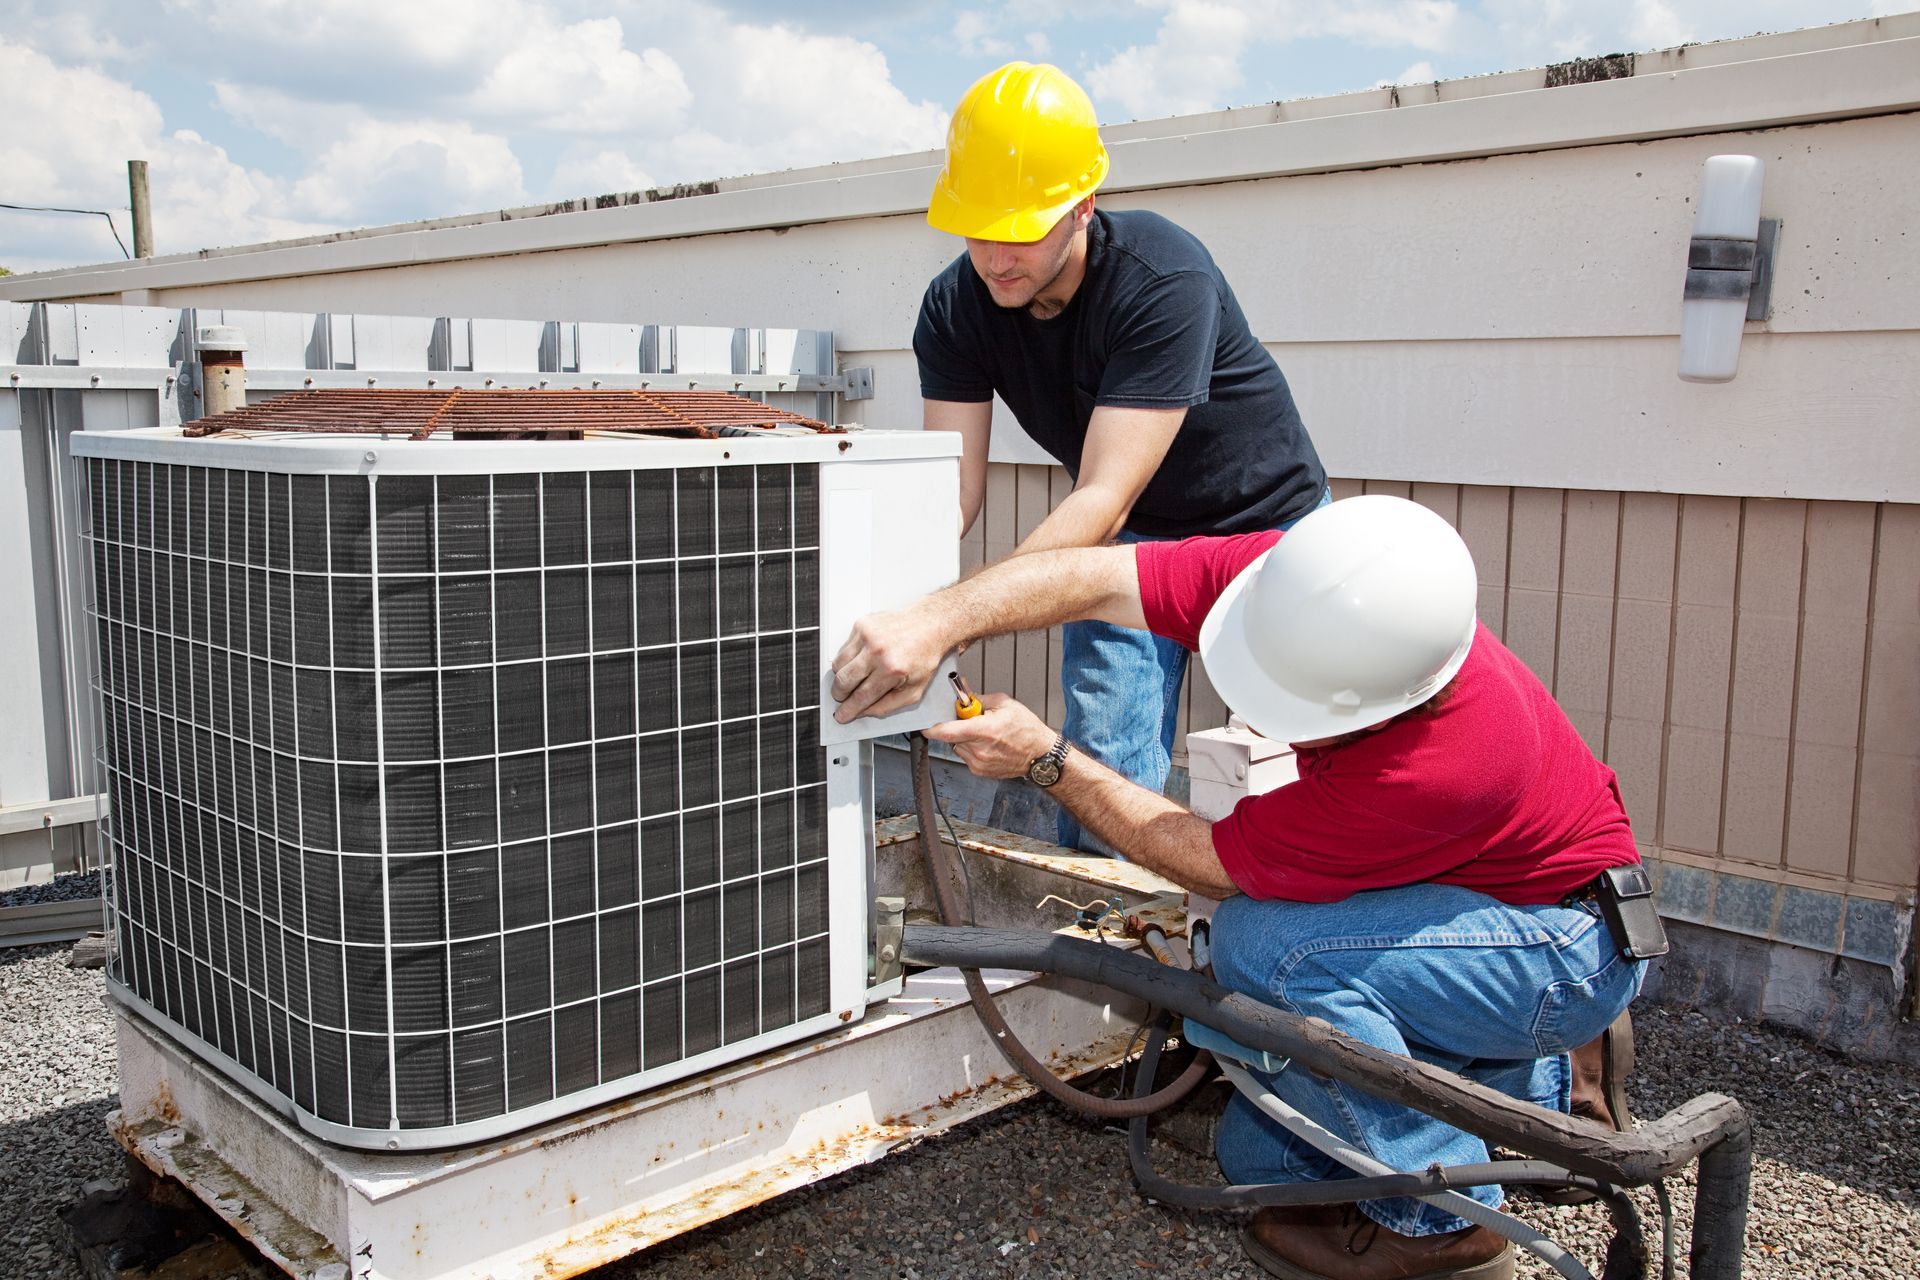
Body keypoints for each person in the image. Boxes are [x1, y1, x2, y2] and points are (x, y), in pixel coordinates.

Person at [831, 495, 1648, 1280]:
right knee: (1252, 1158)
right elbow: (1094, 575)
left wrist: (1047, 759)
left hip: (1563, 944)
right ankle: (1532, 1095)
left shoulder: (1437, 768)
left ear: (1374, 706)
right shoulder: (1299, 585)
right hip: (1490, 897)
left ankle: (1446, 1226)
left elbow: (1204, 860)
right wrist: (940, 616)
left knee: (1268, 951)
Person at [916, 60, 1328, 851]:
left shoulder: (1161, 275)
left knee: (1311, 751)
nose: (999, 256)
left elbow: (1102, 492)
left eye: (1025, 229)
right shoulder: (955, 307)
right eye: (980, 229)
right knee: (1101, 760)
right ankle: (1111, 950)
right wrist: (903, 602)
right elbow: (952, 489)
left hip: (1269, 533)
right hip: (1132, 539)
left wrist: (950, 619)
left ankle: (1294, 937)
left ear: (1082, 207)